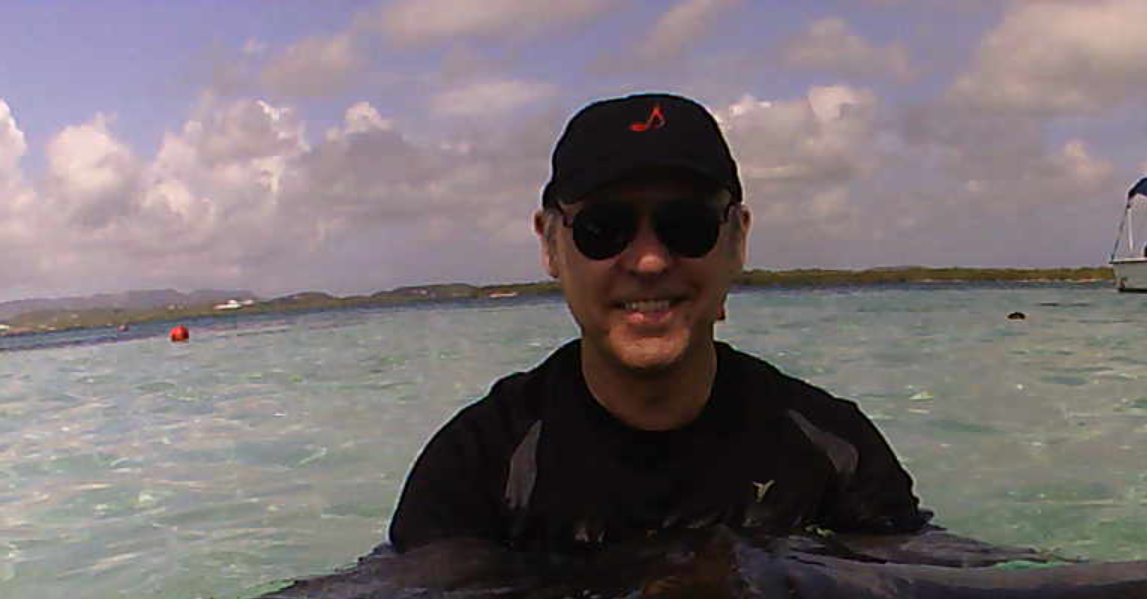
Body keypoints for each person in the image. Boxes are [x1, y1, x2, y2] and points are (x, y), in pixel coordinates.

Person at [388, 92, 930, 553]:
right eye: (604, 229)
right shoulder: (475, 470)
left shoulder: (835, 452)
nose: (649, 262)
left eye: (686, 225)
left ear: (737, 239)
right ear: (551, 246)